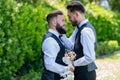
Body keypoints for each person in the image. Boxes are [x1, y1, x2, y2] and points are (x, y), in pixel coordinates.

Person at [60, 1, 97, 80]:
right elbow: (72, 46)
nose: (69, 20)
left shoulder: (85, 31)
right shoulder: (79, 28)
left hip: (86, 75)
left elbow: (90, 57)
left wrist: (73, 63)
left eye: (69, 16)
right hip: (81, 73)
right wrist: (61, 34)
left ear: (76, 14)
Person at [41, 10, 74, 80]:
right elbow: (49, 65)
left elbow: (70, 47)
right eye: (62, 21)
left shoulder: (59, 37)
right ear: (54, 23)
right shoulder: (50, 41)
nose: (65, 23)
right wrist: (68, 69)